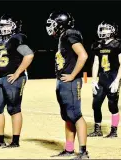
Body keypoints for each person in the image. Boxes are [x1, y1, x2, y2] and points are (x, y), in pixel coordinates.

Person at [46, 11, 89, 159]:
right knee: (68, 116)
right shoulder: (63, 36)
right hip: (63, 81)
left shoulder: (70, 33)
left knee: (76, 115)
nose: (51, 26)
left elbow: (83, 55)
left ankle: (83, 152)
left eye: (54, 23)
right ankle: (69, 149)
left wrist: (72, 75)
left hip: (71, 82)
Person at [0, 14, 34, 148]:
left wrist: (17, 73)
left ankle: (15, 141)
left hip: (14, 78)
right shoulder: (0, 40)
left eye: (5, 25)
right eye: (1, 25)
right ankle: (0, 139)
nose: (2, 28)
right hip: (1, 78)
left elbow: (29, 55)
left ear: (13, 26)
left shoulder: (17, 38)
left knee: (14, 109)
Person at [88, 21, 121, 138]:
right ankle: (97, 129)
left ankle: (114, 131)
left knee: (112, 105)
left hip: (113, 77)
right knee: (96, 104)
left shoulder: (118, 44)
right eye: (102, 29)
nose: (102, 32)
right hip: (102, 78)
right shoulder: (97, 45)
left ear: (112, 31)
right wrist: (94, 80)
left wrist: (117, 80)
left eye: (105, 29)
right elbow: (96, 63)